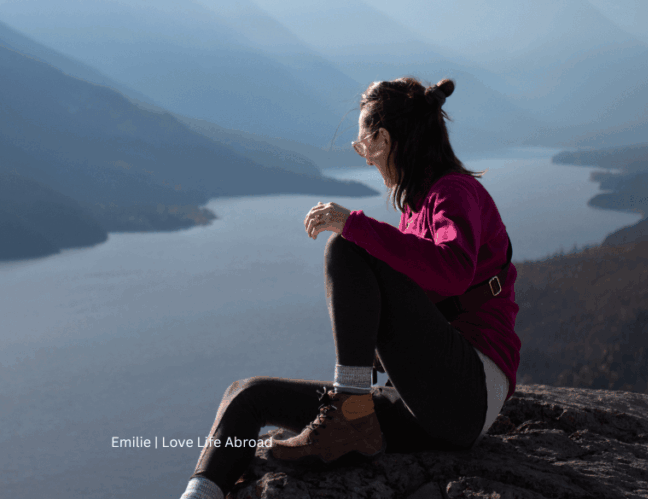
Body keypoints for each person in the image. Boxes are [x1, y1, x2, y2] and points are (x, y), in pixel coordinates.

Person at [179, 77, 520, 499]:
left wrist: (352, 224)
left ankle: (350, 413)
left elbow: (454, 271)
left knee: (347, 246)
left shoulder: (453, 192)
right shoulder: (417, 208)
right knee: (247, 395)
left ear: (386, 140)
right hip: (422, 401)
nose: (365, 159)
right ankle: (200, 492)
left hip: (468, 395)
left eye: (363, 146)